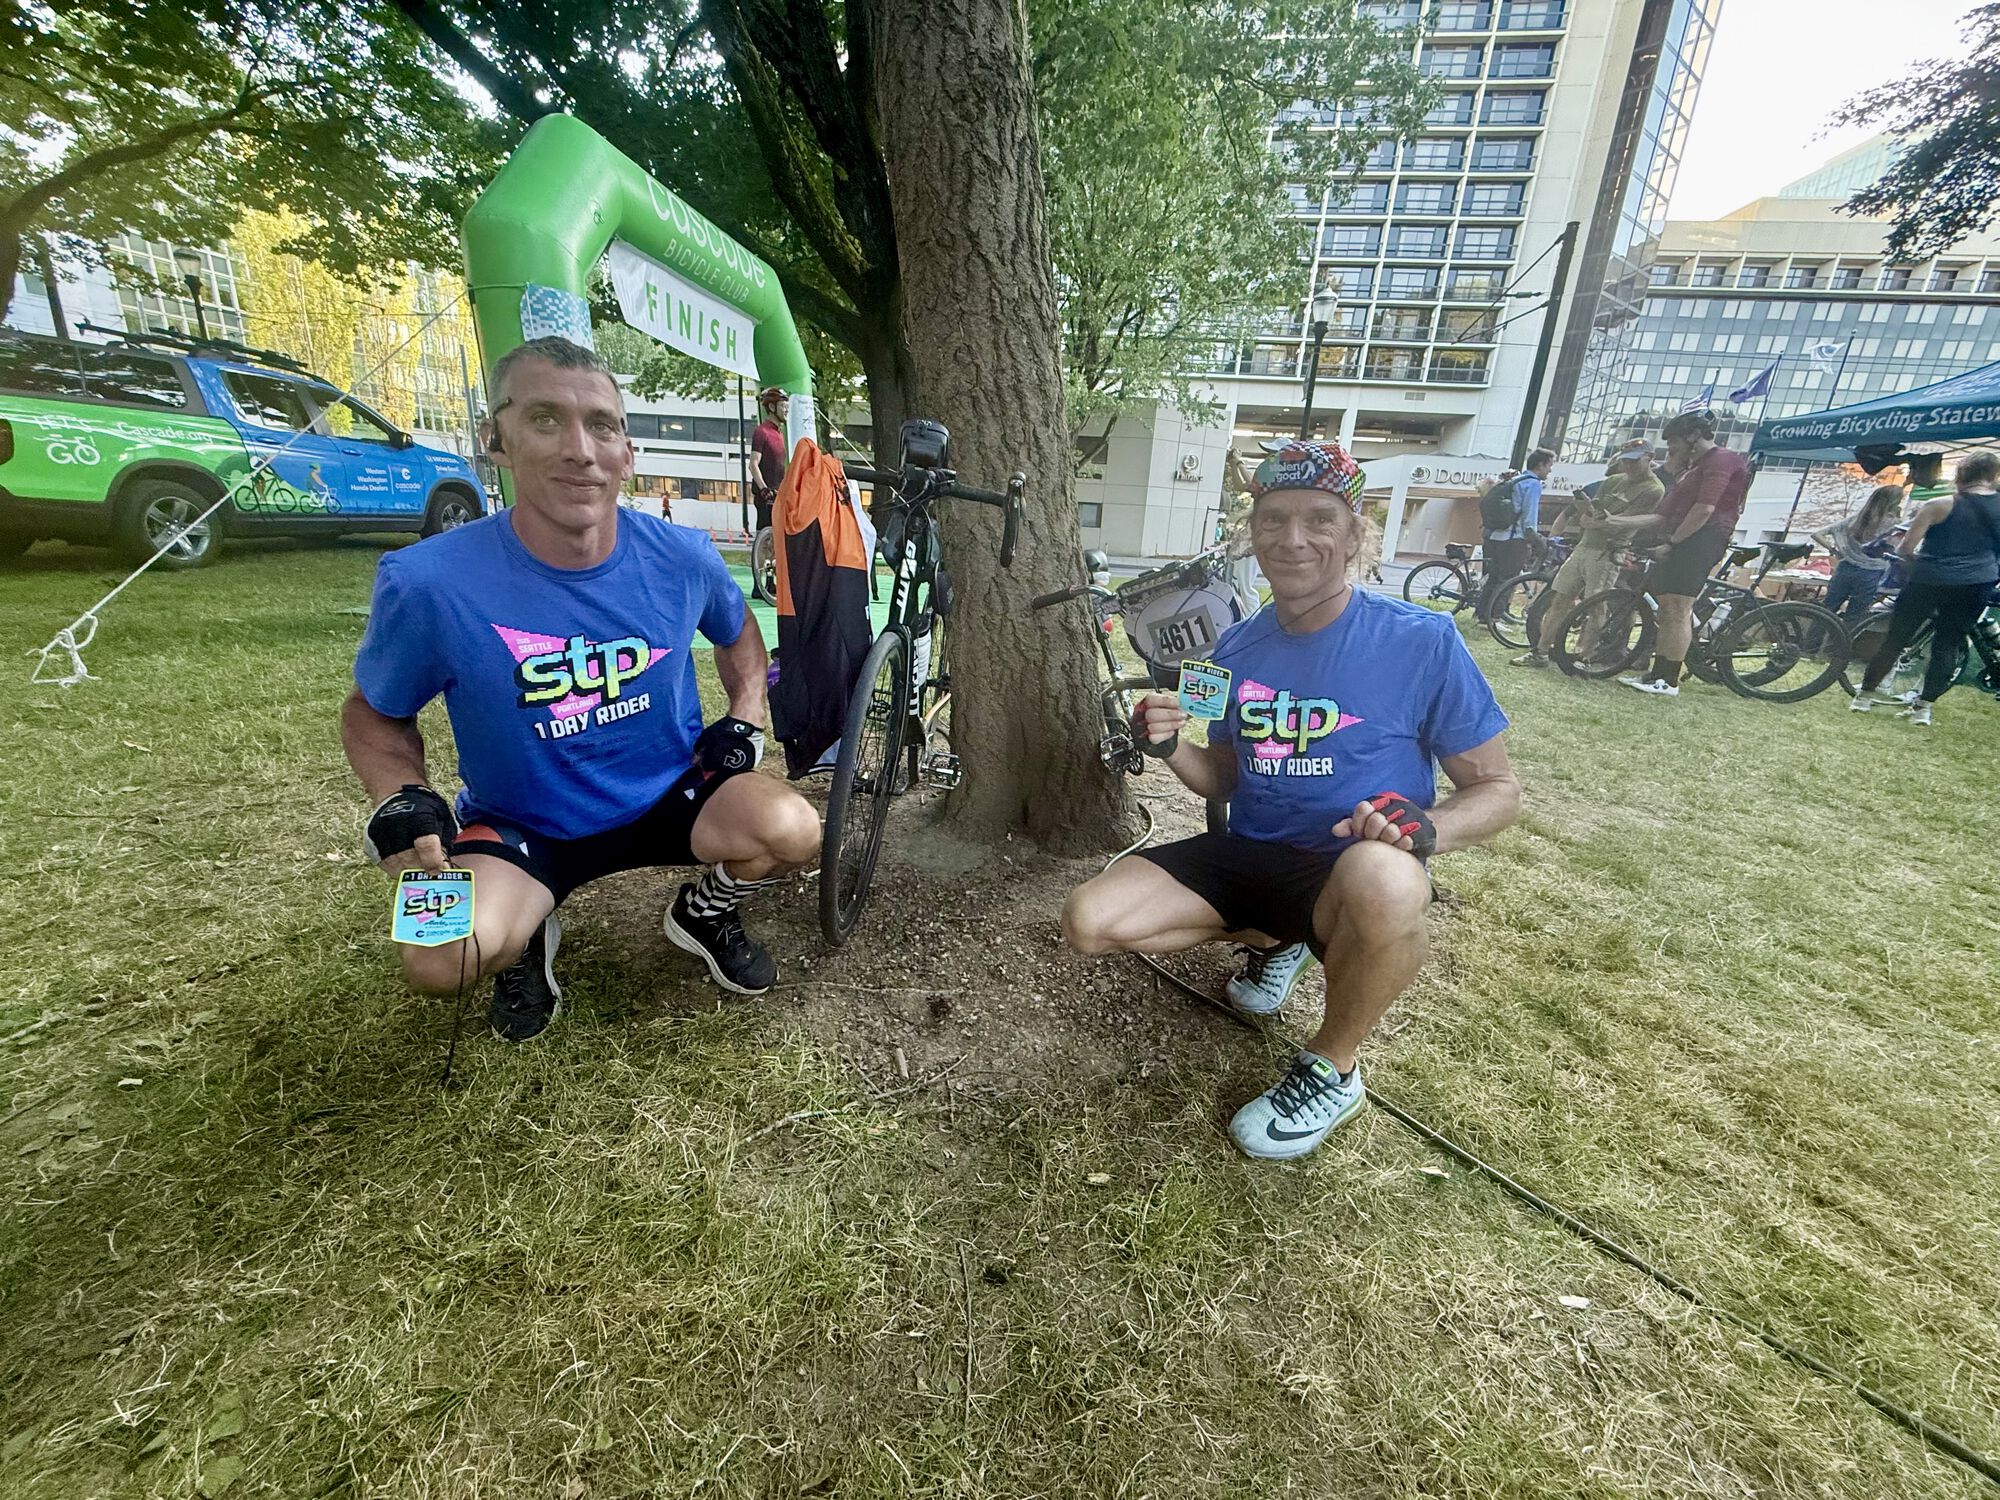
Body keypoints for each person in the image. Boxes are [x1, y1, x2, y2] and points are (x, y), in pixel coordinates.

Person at [342, 337, 821, 1042]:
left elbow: (739, 635)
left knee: (795, 829)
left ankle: (705, 912)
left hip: (669, 796)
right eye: (544, 418)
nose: (579, 449)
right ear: (495, 440)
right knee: (433, 958)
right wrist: (399, 799)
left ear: (626, 452)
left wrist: (744, 720)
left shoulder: (684, 557)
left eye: (601, 424)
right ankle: (526, 933)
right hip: (521, 822)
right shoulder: (426, 581)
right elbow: (372, 716)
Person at [1059, 441, 1521, 1161]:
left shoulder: (1421, 640)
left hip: (1348, 869)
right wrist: (1169, 746)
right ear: (1254, 531)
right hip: (1254, 854)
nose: (1293, 539)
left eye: (1318, 520)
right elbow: (1224, 780)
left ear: (1353, 533)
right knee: (1089, 921)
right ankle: (1277, 941)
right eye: (1274, 520)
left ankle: (1332, 1068)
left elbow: (1498, 790)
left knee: (1387, 878)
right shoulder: (1233, 650)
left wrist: (1425, 828)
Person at [1601, 410, 1752, 697]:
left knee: (1680, 609)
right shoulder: (1694, 468)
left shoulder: (1722, 460)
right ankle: (1658, 675)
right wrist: (1613, 521)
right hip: (1684, 539)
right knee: (1669, 609)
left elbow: (1705, 509)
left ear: (1693, 436)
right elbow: (1660, 515)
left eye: (1673, 444)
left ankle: (1668, 680)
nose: (1670, 450)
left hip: (1701, 539)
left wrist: (1671, 542)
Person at [1850, 448, 2000, 727]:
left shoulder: (1939, 504)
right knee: (1948, 644)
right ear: (1993, 476)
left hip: (1929, 578)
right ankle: (1923, 708)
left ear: (1961, 474)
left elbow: (1906, 547)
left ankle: (1865, 696)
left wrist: (1913, 563)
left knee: (1896, 638)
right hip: (1976, 583)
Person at [1512, 437, 1664, 668]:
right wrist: (1589, 515)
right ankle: (1540, 651)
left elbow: (1627, 521)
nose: (1629, 466)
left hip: (1609, 552)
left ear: (1649, 459)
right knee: (1560, 599)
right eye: (1626, 461)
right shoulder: (1613, 480)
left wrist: (1601, 521)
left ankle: (1585, 657)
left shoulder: (1653, 489)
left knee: (1596, 604)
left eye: (1635, 461)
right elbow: (1591, 512)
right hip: (1584, 546)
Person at [1478, 449, 1554, 620]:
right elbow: (1529, 518)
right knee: (1507, 580)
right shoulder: (1532, 484)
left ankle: (1482, 615)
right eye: (1549, 466)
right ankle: (1494, 618)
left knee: (1494, 578)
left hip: (1497, 536)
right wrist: (1536, 540)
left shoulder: (1514, 480)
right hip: (1514, 539)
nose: (1550, 470)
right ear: (1540, 465)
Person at [1813, 484, 1902, 626]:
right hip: (1872, 573)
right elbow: (1897, 548)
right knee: (1854, 617)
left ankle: (1810, 645)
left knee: (1826, 612)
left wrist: (1834, 549)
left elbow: (1817, 534)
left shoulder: (1857, 519)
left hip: (1845, 567)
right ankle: (1839, 646)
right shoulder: (1894, 524)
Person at [750, 387, 788, 532]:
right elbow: (753, 464)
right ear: (772, 407)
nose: (786, 410)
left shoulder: (778, 433)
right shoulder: (762, 432)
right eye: (783, 406)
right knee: (766, 540)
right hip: (766, 498)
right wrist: (763, 489)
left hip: (778, 496)